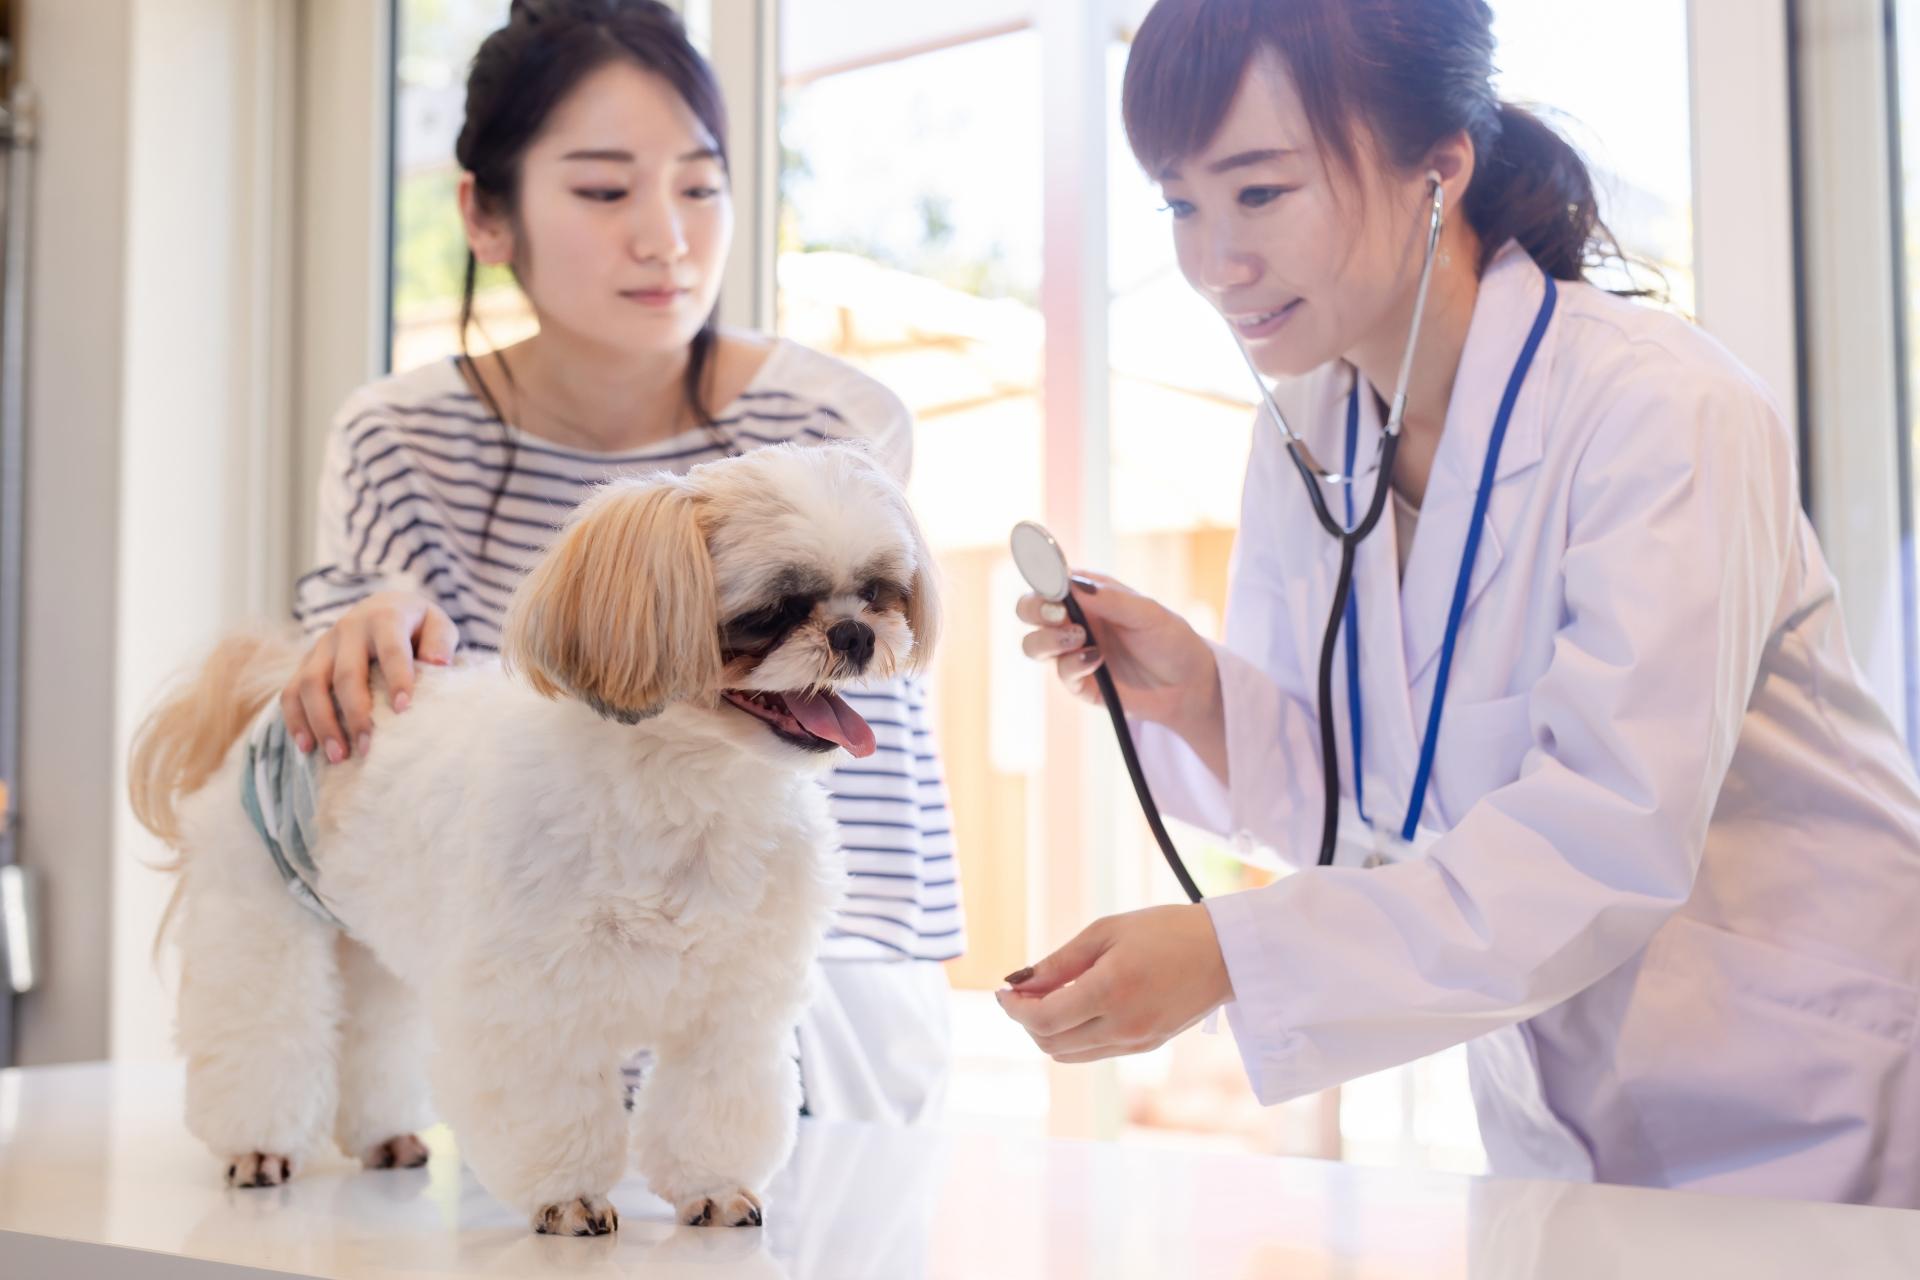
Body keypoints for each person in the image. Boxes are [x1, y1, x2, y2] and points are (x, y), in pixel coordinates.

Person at [1004, 0, 1920, 1206]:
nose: (1215, 261)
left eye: (1260, 193)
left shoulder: (1662, 412)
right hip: (1558, 1147)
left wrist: (1233, 953)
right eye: (1182, 203)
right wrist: (1204, 699)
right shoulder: (1311, 433)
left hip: (1817, 1110)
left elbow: (1604, 834)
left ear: (1439, 169)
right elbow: (1375, 803)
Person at [284, 0, 959, 1125]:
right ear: (485, 215)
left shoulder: (834, 418)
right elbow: (386, 767)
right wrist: (355, 640)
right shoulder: (398, 441)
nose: (668, 236)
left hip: (819, 1006)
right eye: (605, 189)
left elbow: (865, 808)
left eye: (701, 186)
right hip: (542, 1018)